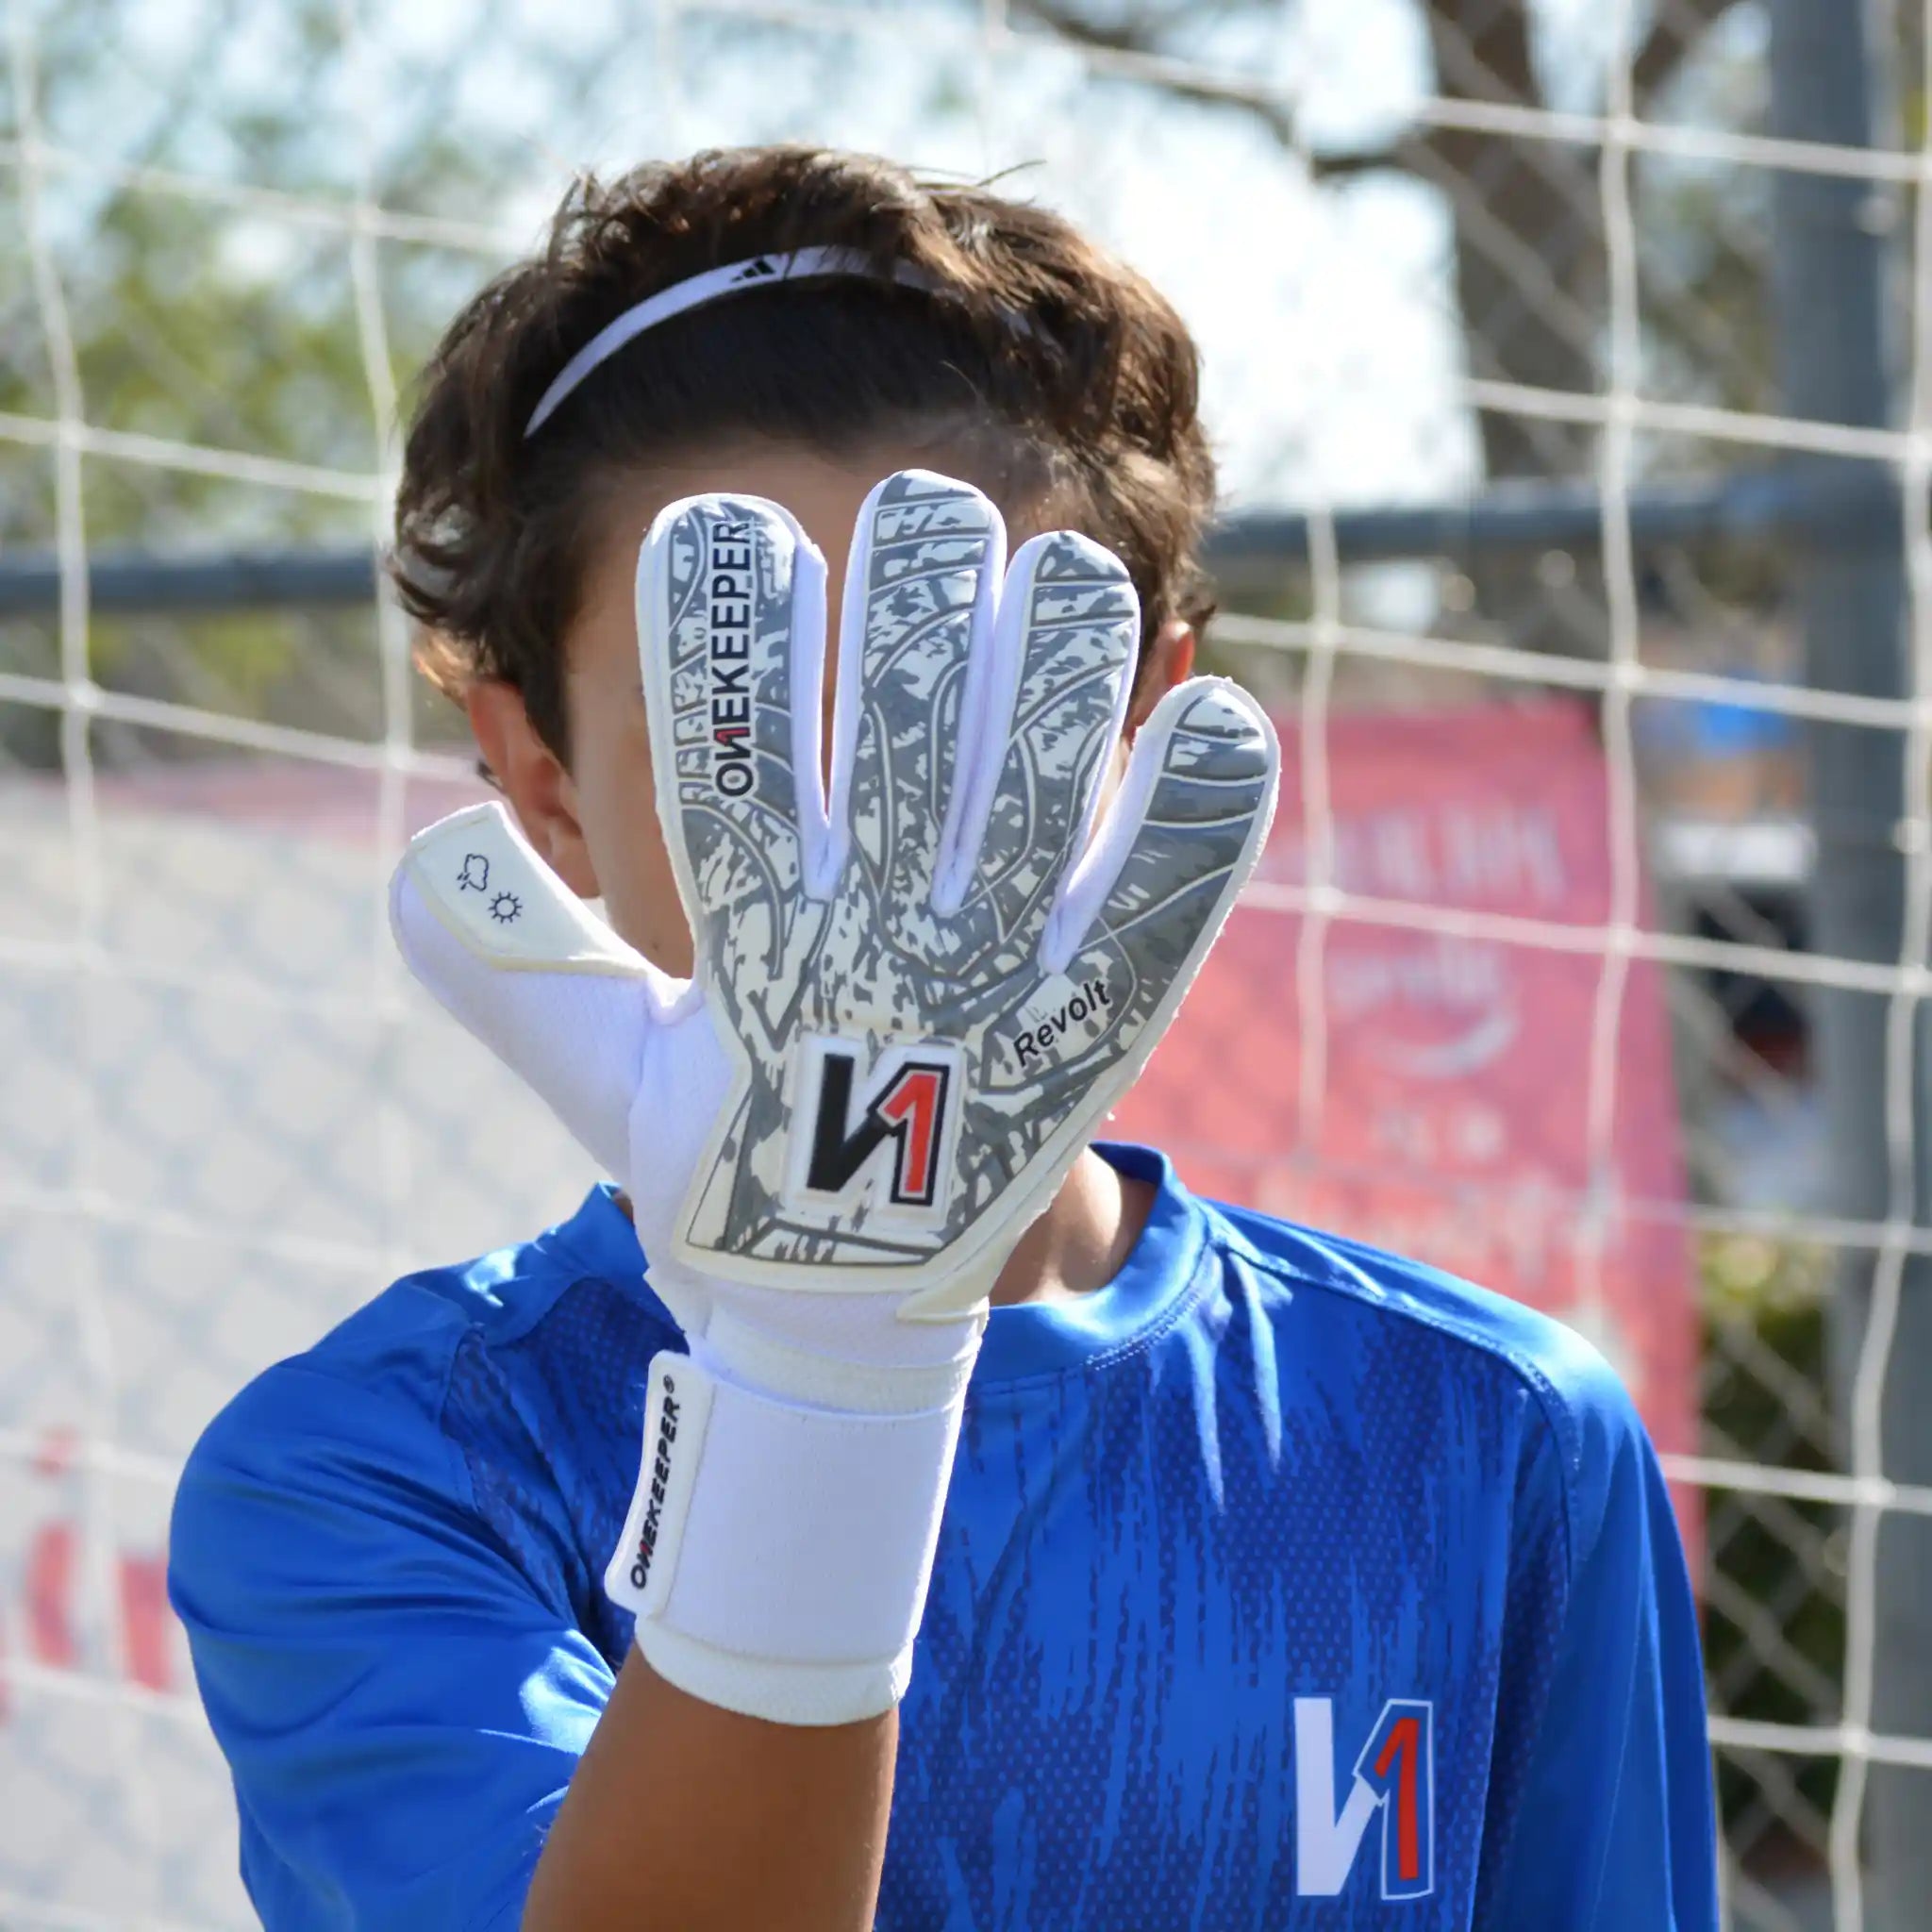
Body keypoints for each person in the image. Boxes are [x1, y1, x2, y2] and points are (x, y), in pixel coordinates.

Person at [168, 144, 1719, 1931]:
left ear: (1146, 727)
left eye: (971, 696)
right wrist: (824, 1371)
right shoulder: (389, 1463)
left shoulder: (1495, 1434)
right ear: (541, 786)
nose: (874, 839)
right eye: (744, 718)